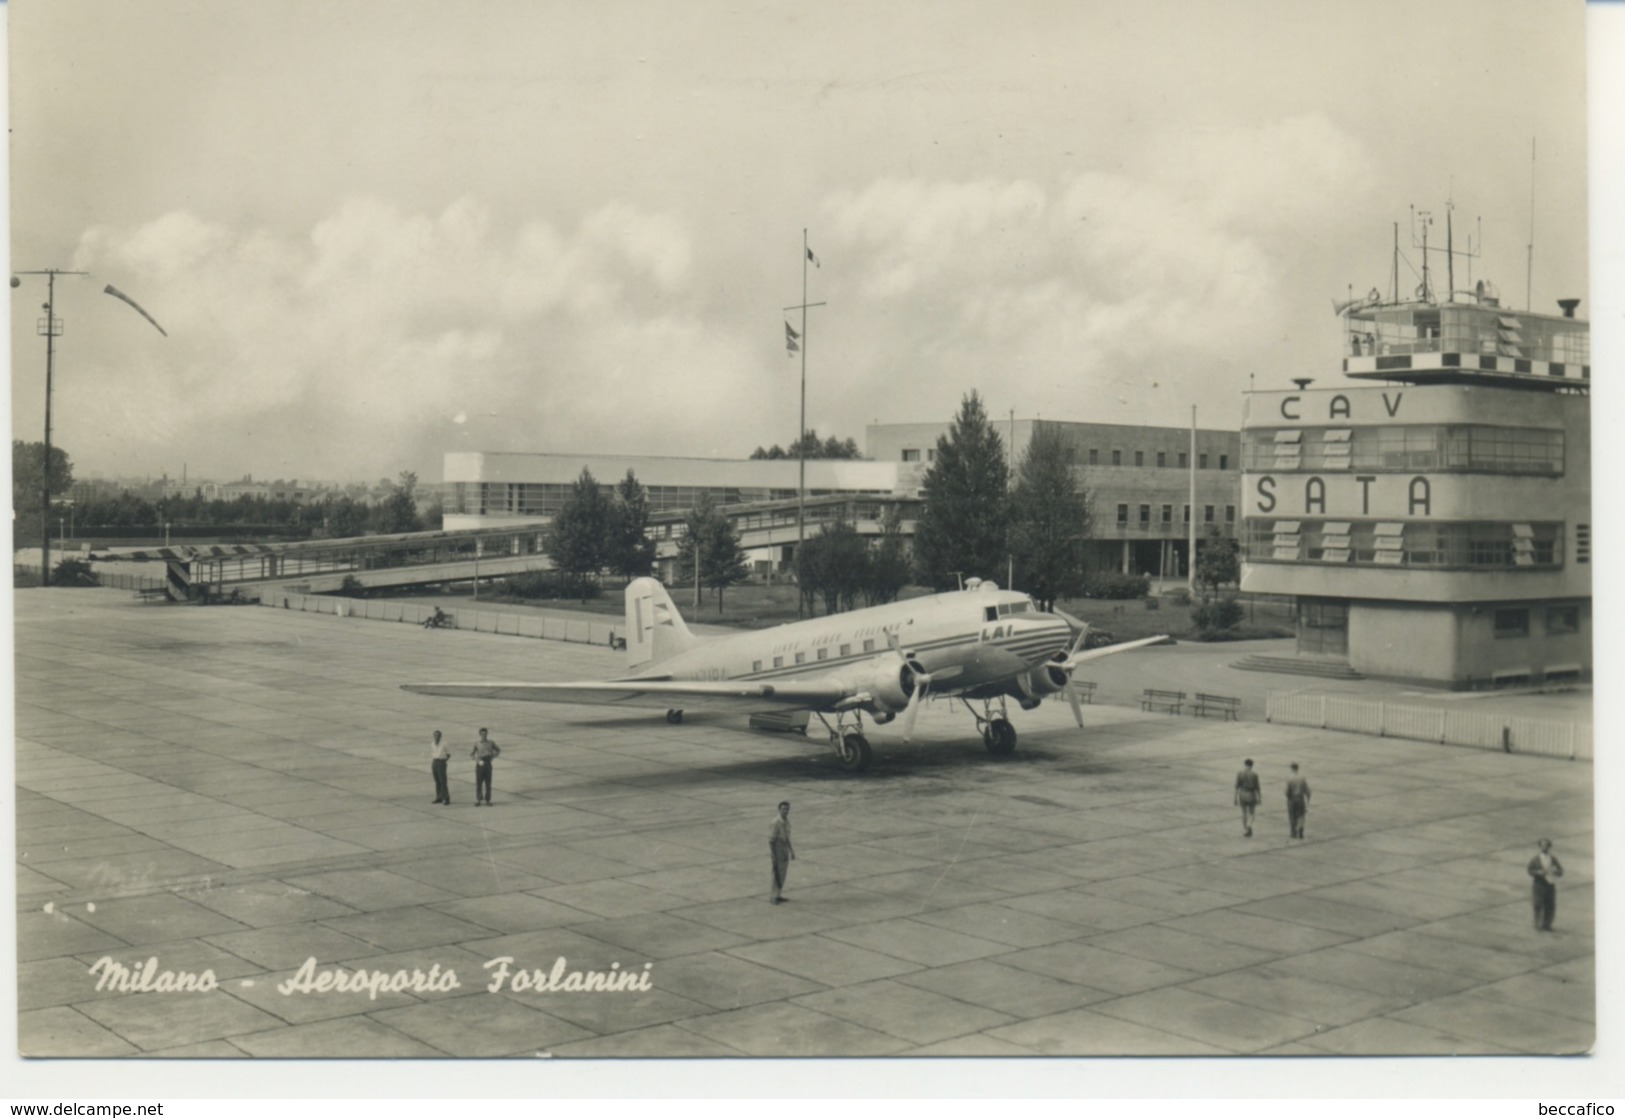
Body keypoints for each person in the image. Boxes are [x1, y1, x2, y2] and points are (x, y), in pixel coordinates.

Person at [1527, 838, 1564, 931]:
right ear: (1540, 847)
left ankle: (1547, 925)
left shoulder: (1553, 858)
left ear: (1549, 847)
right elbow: (1530, 870)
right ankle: (1538, 925)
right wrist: (1537, 872)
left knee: (1550, 905)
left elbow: (1561, 871)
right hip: (1539, 884)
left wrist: (1556, 871)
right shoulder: (1536, 859)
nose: (1544, 847)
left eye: (1546, 845)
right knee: (1538, 904)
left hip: (1550, 884)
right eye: (1542, 845)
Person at [769, 801, 795, 904]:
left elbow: (787, 838)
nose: (785, 811)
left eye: (787, 809)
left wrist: (791, 851)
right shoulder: (776, 822)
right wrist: (773, 855)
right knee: (776, 873)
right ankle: (773, 897)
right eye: (783, 809)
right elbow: (771, 840)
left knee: (782, 873)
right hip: (777, 848)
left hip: (784, 848)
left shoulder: (786, 821)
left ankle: (778, 895)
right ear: (779, 810)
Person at [471, 728, 500, 806]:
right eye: (482, 734)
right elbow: (472, 754)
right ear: (480, 734)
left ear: (487, 734)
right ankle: (479, 800)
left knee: (488, 782)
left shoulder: (491, 742)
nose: (484, 735)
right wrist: (477, 760)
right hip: (480, 763)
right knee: (479, 782)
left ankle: (488, 800)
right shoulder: (477, 743)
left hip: (488, 763)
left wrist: (493, 756)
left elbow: (498, 750)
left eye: (485, 734)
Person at [1234, 758, 1261, 837]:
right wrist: (1259, 797)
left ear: (1245, 764)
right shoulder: (1254, 775)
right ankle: (1249, 825)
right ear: (1252, 765)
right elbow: (1257, 787)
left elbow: (1237, 786)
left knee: (1244, 812)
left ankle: (1245, 829)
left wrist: (1235, 798)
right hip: (1251, 794)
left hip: (1242, 793)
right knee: (1252, 812)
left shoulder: (1240, 773)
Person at [1285, 762, 1311, 839]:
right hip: (1300, 798)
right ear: (1298, 768)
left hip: (1292, 799)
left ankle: (1293, 832)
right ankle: (1300, 830)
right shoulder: (1302, 778)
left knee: (1292, 815)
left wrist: (1288, 797)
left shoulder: (1289, 778)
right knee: (1301, 815)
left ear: (1291, 768)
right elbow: (1308, 791)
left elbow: (1286, 792)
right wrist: (1308, 800)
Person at [430, 729, 452, 805]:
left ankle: (446, 798)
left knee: (443, 781)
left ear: (440, 736)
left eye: (438, 735)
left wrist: (444, 761)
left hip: (441, 762)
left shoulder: (444, 744)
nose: (436, 737)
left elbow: (448, 754)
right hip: (434, 762)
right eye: (435, 735)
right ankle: (439, 797)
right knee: (437, 781)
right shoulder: (432, 744)